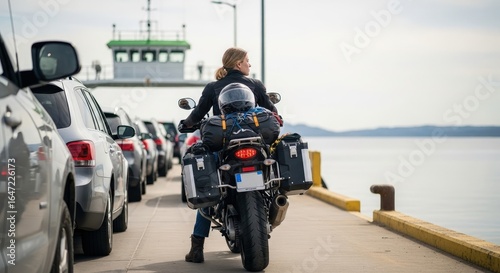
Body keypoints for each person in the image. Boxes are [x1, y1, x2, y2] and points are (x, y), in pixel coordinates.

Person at [181, 47, 278, 263]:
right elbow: (272, 111)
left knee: (209, 187)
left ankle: (197, 247)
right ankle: (276, 200)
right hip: (254, 144)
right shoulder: (255, 84)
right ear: (238, 64)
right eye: (247, 61)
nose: (249, 65)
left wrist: (185, 125)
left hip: (224, 147)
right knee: (271, 176)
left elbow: (197, 115)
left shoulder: (213, 87)